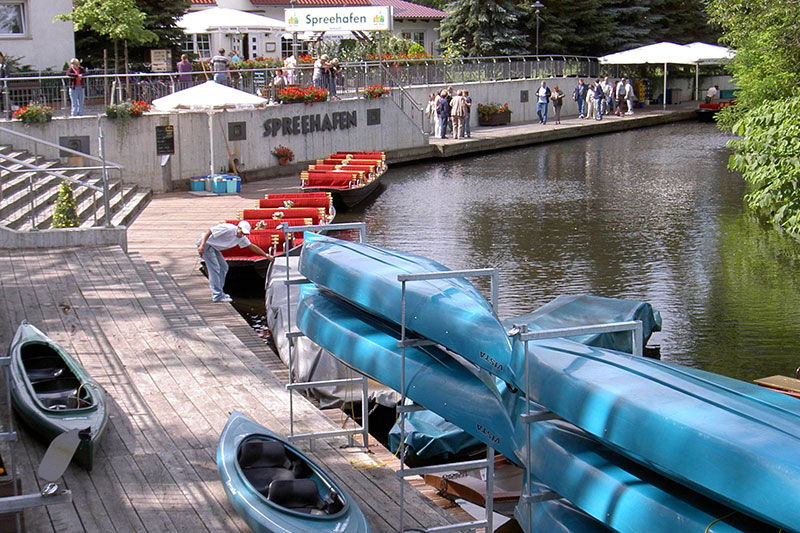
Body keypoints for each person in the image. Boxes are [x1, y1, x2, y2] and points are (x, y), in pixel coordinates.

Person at [197, 221, 271, 303]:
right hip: (206, 244)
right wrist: (202, 245)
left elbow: (251, 246)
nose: (242, 235)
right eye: (241, 232)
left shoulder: (241, 238)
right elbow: (209, 231)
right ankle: (217, 295)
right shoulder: (228, 228)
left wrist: (266, 255)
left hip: (213, 246)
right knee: (214, 268)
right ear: (238, 228)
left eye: (244, 234)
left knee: (224, 267)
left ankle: (220, 292)